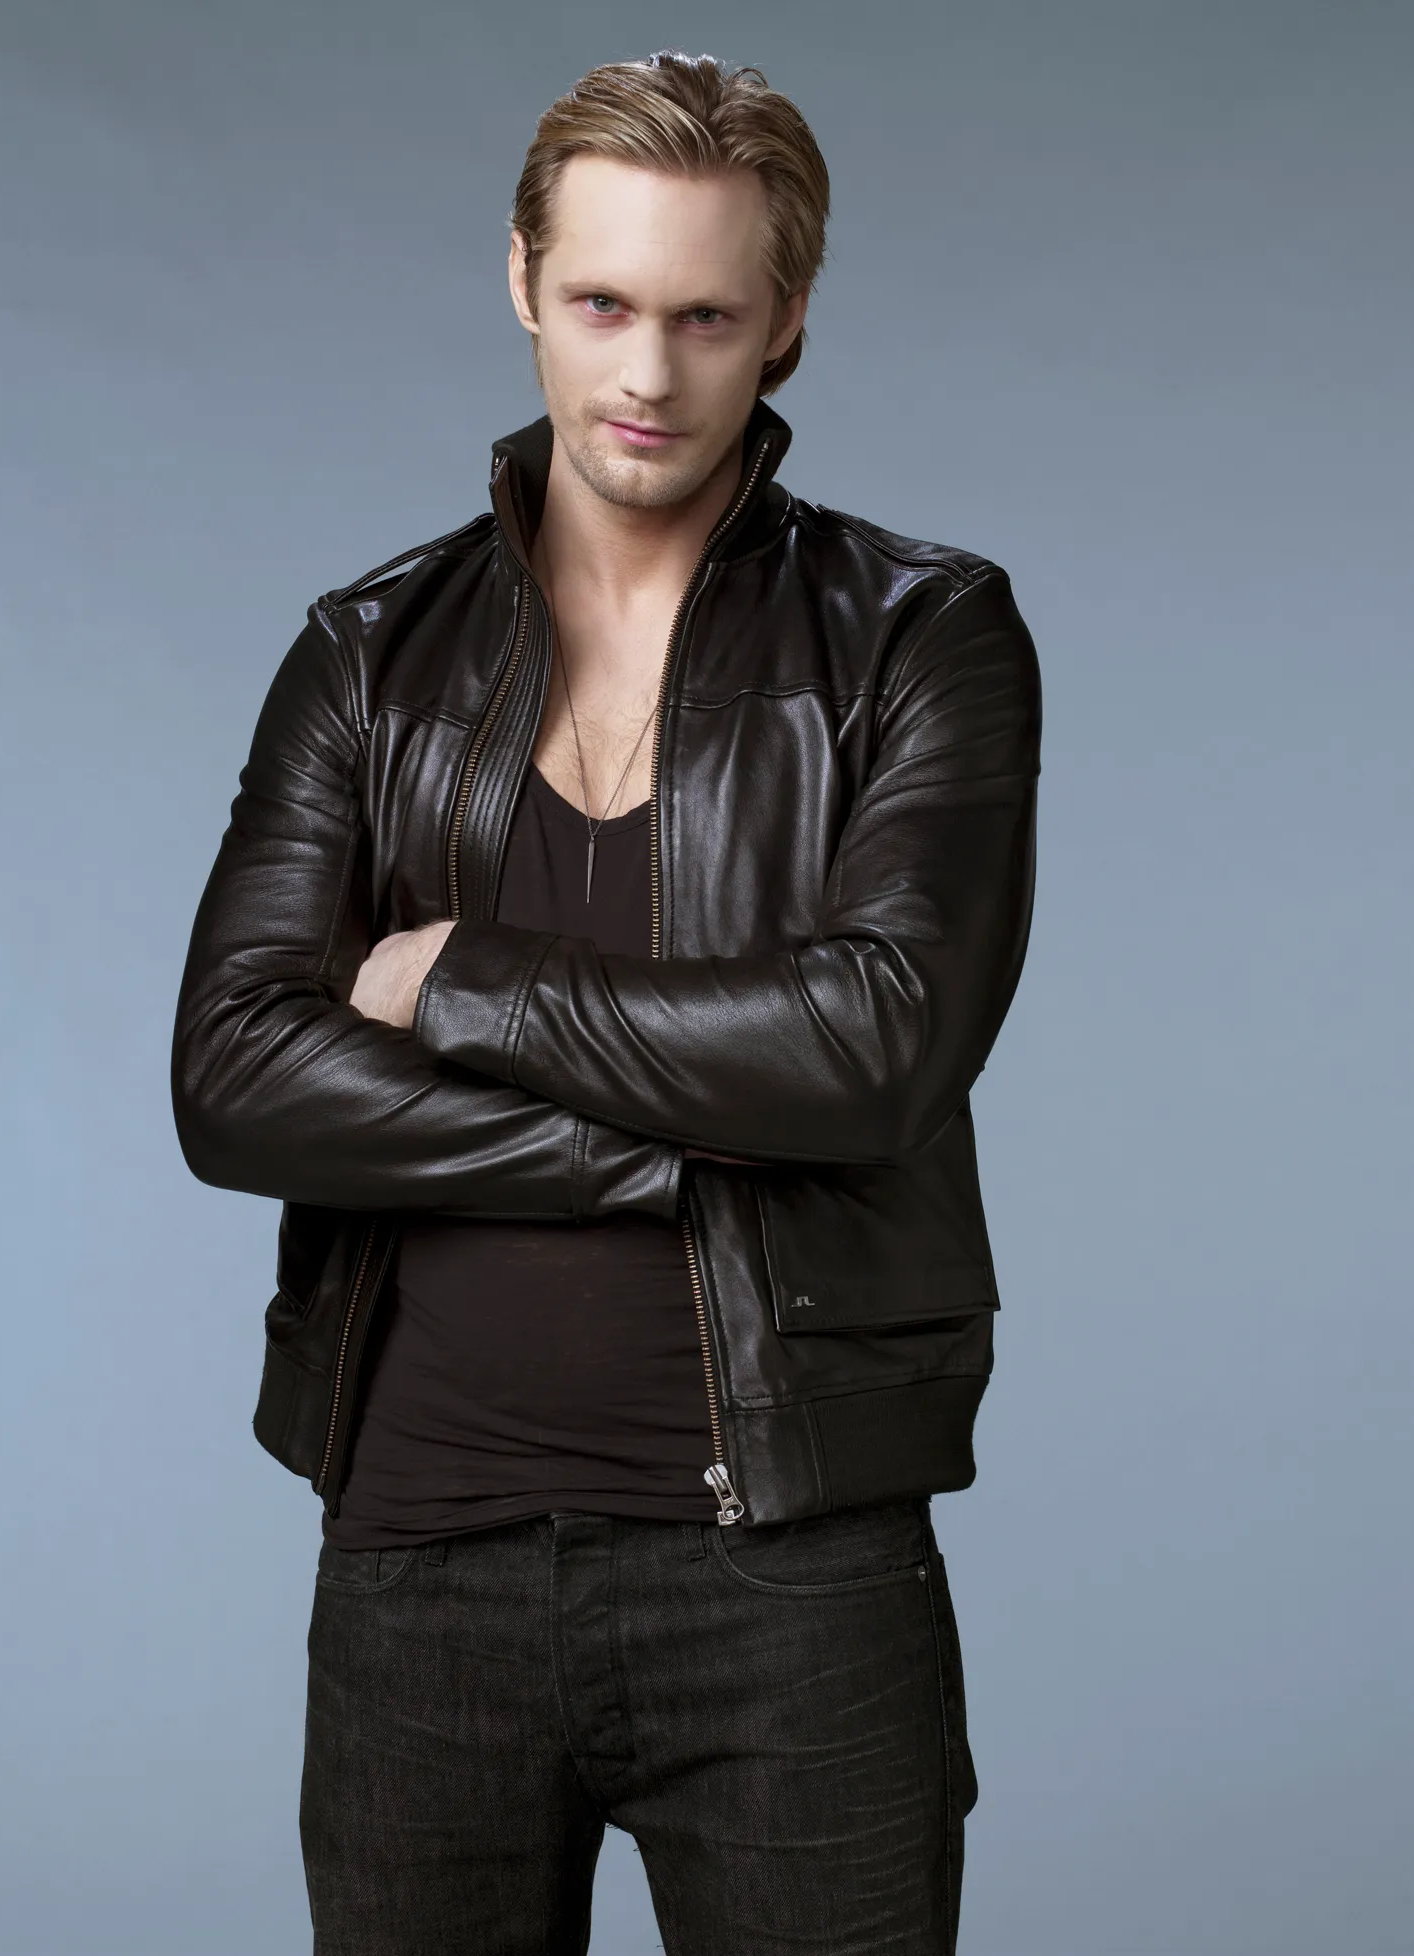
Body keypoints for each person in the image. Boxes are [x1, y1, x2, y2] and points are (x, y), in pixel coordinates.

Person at [173, 49, 1040, 1956]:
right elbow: (233, 1078)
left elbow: (876, 1047)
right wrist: (667, 1148)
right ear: (520, 281)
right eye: (601, 304)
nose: (647, 374)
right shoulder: (366, 658)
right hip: (417, 1571)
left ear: (787, 320)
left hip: (794, 1578)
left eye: (707, 317)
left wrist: (457, 978)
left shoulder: (920, 635)